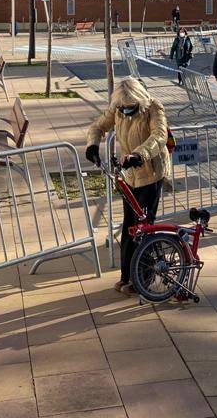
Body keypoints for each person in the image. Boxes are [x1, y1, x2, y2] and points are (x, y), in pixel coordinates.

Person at [84, 78, 169, 295]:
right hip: (129, 176)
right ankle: (126, 276)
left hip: (150, 173)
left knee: (144, 228)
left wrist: (139, 154)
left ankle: (143, 278)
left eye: (130, 106)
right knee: (129, 227)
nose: (125, 110)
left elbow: (159, 135)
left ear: (138, 99)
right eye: (122, 107)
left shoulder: (153, 107)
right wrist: (92, 145)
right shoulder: (118, 109)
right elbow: (97, 126)